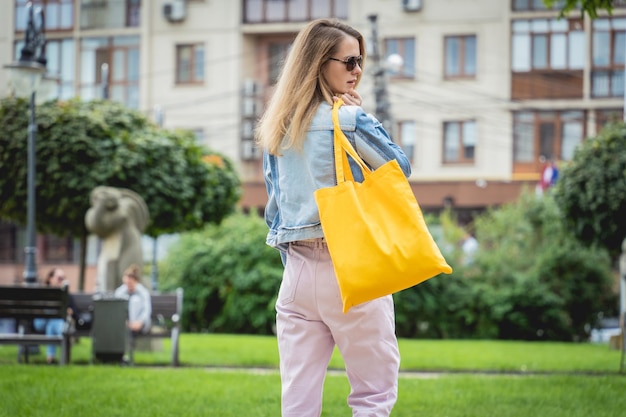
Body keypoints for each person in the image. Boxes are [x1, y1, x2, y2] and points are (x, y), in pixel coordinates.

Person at [256, 18, 411, 417]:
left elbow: (275, 210)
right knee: (373, 395)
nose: (358, 70)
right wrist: (357, 118)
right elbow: (400, 167)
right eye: (351, 61)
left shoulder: (279, 129)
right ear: (320, 63)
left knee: (298, 401)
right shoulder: (350, 120)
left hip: (296, 275)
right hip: (352, 270)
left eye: (361, 61)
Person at [33, 267, 75, 364]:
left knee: (52, 323)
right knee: (54, 318)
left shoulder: (66, 295)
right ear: (50, 279)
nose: (62, 281)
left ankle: (50, 358)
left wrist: (69, 310)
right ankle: (65, 339)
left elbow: (74, 311)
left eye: (63, 279)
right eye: (59, 278)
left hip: (52, 324)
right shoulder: (42, 294)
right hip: (40, 322)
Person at [114, 264, 152, 334]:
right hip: (124, 324)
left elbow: (146, 310)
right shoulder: (120, 292)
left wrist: (140, 322)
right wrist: (123, 321)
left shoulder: (143, 292)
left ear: (136, 281)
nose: (128, 285)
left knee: (135, 300)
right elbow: (116, 310)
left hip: (141, 324)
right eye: (127, 283)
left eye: (130, 283)